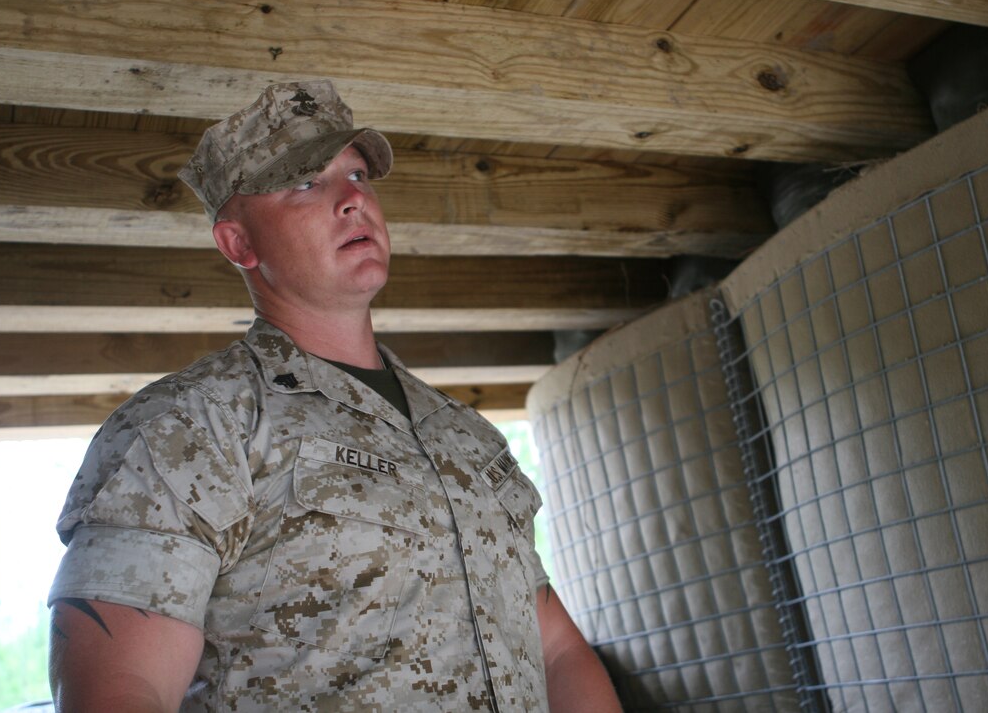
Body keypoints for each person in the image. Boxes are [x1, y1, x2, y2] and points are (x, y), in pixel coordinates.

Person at [47, 80, 622, 712]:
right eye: (305, 183)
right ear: (240, 244)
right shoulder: (193, 425)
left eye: (356, 173)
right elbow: (121, 688)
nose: (353, 198)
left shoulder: (469, 437)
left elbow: (560, 652)